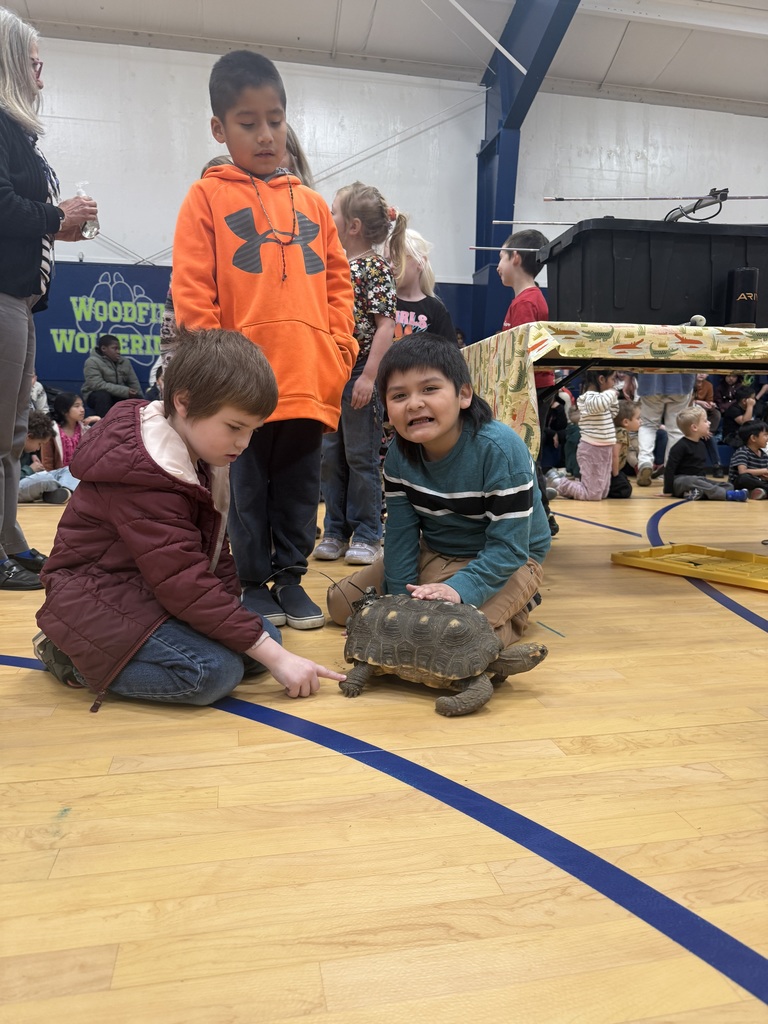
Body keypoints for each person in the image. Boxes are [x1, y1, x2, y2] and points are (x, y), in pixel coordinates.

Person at [34, 327, 348, 711]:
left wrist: (252, 636)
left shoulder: (199, 455)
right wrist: (273, 657)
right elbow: (184, 581)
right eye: (234, 427)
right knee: (212, 674)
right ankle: (69, 655)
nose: (243, 444)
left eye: (252, 431)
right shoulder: (145, 474)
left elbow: (213, 554)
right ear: (183, 402)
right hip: (93, 600)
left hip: (146, 592)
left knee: (263, 639)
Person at [172, 51, 356, 631]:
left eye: (275, 120)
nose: (265, 134)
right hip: (240, 387)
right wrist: (216, 371)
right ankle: (250, 581)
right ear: (219, 129)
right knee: (244, 489)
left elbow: (338, 284)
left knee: (301, 487)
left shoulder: (315, 204)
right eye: (248, 123)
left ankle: (291, 579)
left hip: (306, 378)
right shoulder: (205, 198)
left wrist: (339, 351)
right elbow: (192, 290)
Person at [327, 333, 551, 649]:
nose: (415, 403)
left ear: (463, 394)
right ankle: (450, 597)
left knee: (453, 637)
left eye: (430, 389)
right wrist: (395, 608)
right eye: (399, 395)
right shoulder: (398, 457)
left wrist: (461, 588)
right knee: (341, 606)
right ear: (387, 409)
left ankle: (520, 601)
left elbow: (511, 547)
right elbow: (401, 537)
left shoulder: (500, 450)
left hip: (511, 558)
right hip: (435, 550)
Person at [0, 7, 98, 591]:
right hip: (4, 296)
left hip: (19, 300)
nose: (43, 74)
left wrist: (54, 224)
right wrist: (56, 216)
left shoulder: (18, 133)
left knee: (13, 435)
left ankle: (9, 541)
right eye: (34, 62)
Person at [314, 182, 404, 566]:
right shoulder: (333, 264)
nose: (327, 218)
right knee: (331, 456)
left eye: (332, 212)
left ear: (351, 225)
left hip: (358, 371)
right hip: (331, 371)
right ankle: (335, 528)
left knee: (361, 456)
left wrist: (368, 377)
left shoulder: (374, 266)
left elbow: (385, 326)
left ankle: (368, 532)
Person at [497, 228, 558, 537]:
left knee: (524, 455)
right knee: (526, 454)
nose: (498, 266)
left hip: (531, 389)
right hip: (532, 388)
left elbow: (520, 357)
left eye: (501, 258)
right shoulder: (526, 300)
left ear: (516, 258)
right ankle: (543, 517)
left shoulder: (526, 303)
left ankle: (541, 518)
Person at [548, 368, 619, 501]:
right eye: (613, 380)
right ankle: (557, 483)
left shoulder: (603, 398)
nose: (614, 384)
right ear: (601, 379)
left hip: (605, 448)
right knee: (592, 495)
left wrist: (613, 399)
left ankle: (564, 487)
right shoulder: (587, 397)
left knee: (602, 492)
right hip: (592, 449)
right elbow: (599, 404)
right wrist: (612, 393)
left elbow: (613, 413)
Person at [663, 406, 748, 502]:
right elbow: (670, 469)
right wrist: (668, 490)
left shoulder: (702, 444)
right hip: (681, 481)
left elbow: (700, 470)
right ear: (694, 427)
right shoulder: (680, 446)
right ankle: (727, 495)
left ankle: (696, 493)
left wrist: (705, 482)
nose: (709, 423)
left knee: (728, 485)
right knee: (691, 481)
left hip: (699, 480)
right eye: (705, 421)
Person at [388, 228, 457, 344]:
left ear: (420, 262)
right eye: (388, 260)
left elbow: (450, 354)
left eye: (398, 259)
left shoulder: (436, 310)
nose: (391, 266)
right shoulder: (383, 302)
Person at [635, 372, 695, 485]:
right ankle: (670, 470)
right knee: (676, 429)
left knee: (648, 425)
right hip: (681, 380)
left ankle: (645, 462)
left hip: (651, 378)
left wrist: (629, 377)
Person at [18, 411, 74, 504]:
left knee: (70, 470)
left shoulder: (27, 449)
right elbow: (7, 478)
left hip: (28, 482)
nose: (38, 448)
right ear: (29, 437)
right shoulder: (9, 448)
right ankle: (58, 492)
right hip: (11, 489)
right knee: (45, 479)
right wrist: (30, 469)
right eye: (39, 444)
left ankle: (65, 492)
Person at [82, 334, 143, 417]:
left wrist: (140, 399)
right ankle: (104, 426)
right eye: (115, 348)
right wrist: (125, 391)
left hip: (118, 394)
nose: (118, 351)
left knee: (137, 399)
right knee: (103, 396)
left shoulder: (125, 362)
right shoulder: (92, 361)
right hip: (95, 395)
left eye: (119, 349)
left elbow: (134, 383)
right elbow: (96, 385)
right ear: (103, 349)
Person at [39, 391, 98, 469]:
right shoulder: (52, 431)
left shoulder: (85, 429)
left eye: (82, 406)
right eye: (77, 406)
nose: (82, 410)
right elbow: (47, 461)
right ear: (64, 411)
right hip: (59, 478)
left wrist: (99, 421)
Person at [608, 399, 641, 499]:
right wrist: (616, 475)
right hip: (610, 471)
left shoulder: (621, 431)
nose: (640, 421)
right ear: (626, 422)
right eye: (638, 418)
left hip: (614, 469)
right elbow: (614, 455)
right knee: (624, 491)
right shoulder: (621, 433)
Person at [727, 420, 768, 500]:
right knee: (743, 478)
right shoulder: (742, 452)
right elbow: (743, 472)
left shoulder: (764, 455)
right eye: (765, 435)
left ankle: (759, 493)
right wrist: (765, 471)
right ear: (753, 438)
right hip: (740, 484)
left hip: (758, 482)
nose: (767, 438)